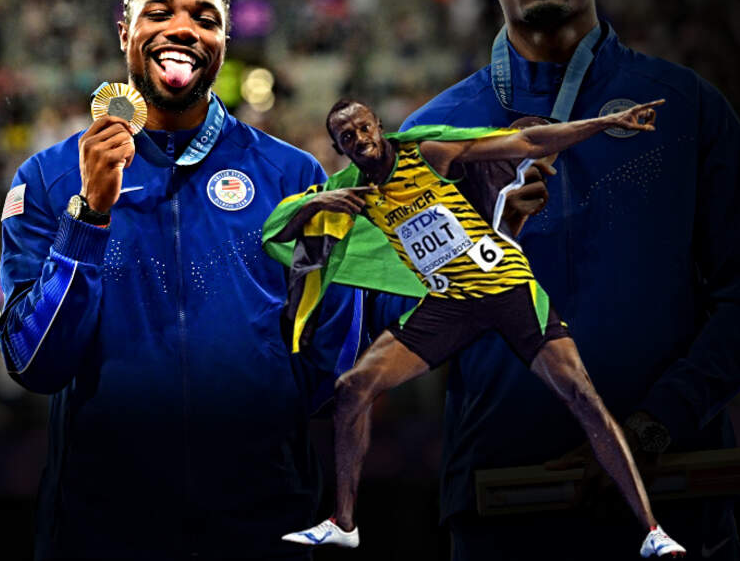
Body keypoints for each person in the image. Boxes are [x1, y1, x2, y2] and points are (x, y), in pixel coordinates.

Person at [397, 0, 740, 558]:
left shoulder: (687, 107)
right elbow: (400, 324)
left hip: (676, 493)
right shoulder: (432, 139)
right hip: (504, 506)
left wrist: (657, 423)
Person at [0, 0, 367, 560]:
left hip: (262, 523)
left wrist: (254, 419)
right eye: (159, 13)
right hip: (101, 531)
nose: (183, 28)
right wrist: (88, 217)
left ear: (224, 42)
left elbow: (332, 360)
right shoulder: (49, 178)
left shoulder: (293, 177)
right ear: (125, 32)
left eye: (205, 18)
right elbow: (32, 362)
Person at [269, 99, 685, 557]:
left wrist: (609, 121)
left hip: (505, 287)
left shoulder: (428, 153)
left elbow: (528, 141)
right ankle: (343, 523)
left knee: (581, 395)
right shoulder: (354, 192)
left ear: (379, 126)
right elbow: (279, 235)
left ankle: (653, 531)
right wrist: (318, 202)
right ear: (339, 148)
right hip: (451, 303)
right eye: (347, 137)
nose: (360, 140)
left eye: (364, 128)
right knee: (352, 388)